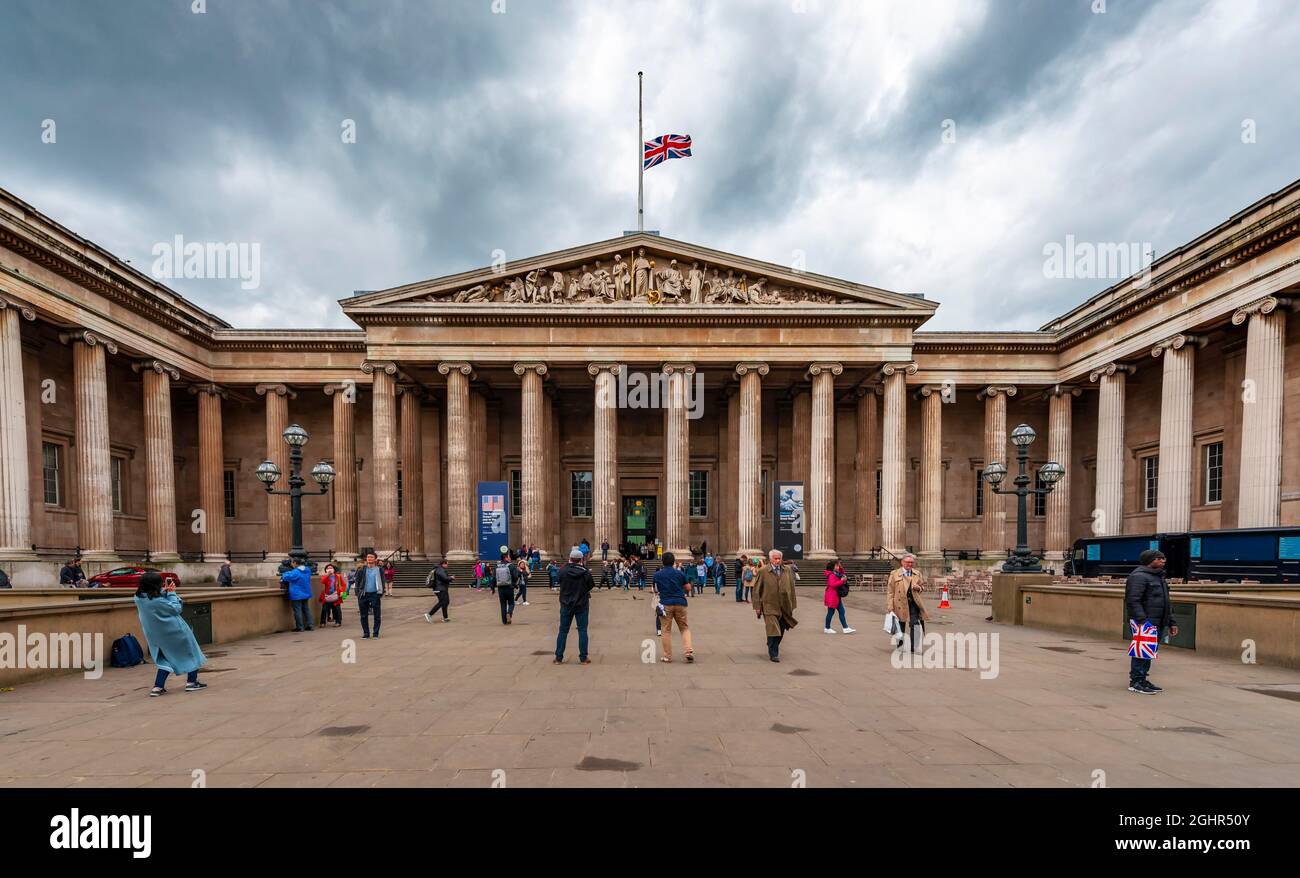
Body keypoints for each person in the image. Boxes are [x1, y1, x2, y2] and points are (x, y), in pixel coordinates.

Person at [133, 571, 207, 696]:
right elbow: (176, 609)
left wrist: (165, 591)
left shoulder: (138, 598)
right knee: (191, 653)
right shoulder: (157, 601)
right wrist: (172, 593)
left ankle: (157, 687)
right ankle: (191, 682)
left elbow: (153, 597)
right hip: (175, 632)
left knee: (165, 659)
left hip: (156, 635)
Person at [1125, 549, 1178, 694]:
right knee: (1141, 652)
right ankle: (1136, 682)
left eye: (1163, 558)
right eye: (1159, 558)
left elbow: (1166, 602)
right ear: (1149, 560)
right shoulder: (1138, 577)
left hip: (1157, 621)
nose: (1163, 561)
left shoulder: (1159, 577)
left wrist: (1171, 622)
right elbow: (1133, 600)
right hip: (1144, 622)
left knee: (1148, 652)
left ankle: (1142, 679)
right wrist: (1142, 620)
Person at [754, 549, 798, 662]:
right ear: (770, 559)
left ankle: (771, 643)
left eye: (779, 558)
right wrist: (757, 607)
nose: (778, 561)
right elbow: (756, 590)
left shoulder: (787, 570)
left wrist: (793, 604)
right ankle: (773, 653)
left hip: (784, 606)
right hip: (769, 605)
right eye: (775, 558)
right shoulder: (763, 571)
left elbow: (791, 588)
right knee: (773, 629)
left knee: (781, 630)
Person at [554, 547, 595, 664]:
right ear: (581, 559)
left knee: (563, 631)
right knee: (582, 631)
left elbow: (558, 581)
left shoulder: (562, 571)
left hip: (566, 604)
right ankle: (583, 658)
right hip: (581, 604)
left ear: (570, 558)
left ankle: (558, 658)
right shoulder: (585, 572)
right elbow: (591, 585)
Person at [654, 551, 694, 663]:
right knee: (684, 628)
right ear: (673, 562)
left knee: (666, 630)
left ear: (662, 562)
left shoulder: (657, 575)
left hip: (665, 603)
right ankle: (688, 651)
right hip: (680, 602)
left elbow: (656, 590)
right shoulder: (680, 573)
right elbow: (688, 588)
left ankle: (667, 656)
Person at [886, 553, 928, 653]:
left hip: (913, 603)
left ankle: (915, 647)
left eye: (911, 562)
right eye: (907, 562)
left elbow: (922, 586)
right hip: (899, 604)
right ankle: (900, 646)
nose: (910, 564)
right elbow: (890, 591)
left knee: (915, 624)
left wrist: (919, 588)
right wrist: (890, 606)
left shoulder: (917, 573)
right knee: (900, 625)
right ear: (902, 562)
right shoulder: (894, 574)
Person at [281, 559, 315, 631]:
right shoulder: (307, 570)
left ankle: (300, 627)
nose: (291, 564)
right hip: (306, 592)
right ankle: (310, 625)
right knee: (306, 609)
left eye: (292, 563)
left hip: (297, 594)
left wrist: (285, 573)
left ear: (295, 563)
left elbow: (287, 577)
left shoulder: (296, 571)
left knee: (297, 610)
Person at [823, 559, 855, 634]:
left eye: (838, 565)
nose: (838, 567)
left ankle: (845, 628)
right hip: (832, 596)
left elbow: (842, 573)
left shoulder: (836, 573)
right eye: (836, 565)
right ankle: (827, 628)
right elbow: (832, 584)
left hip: (835, 595)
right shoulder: (831, 575)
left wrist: (840, 566)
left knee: (841, 611)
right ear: (832, 567)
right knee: (831, 612)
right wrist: (842, 581)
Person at [357, 551, 384, 639]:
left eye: (371, 557)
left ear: (375, 559)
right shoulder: (361, 569)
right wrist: (358, 593)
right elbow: (357, 581)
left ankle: (375, 633)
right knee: (363, 615)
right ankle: (366, 633)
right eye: (368, 557)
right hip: (363, 594)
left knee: (377, 615)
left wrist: (380, 593)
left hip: (375, 594)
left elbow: (382, 581)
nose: (369, 558)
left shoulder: (379, 569)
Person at [495, 553, 519, 624]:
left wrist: (492, 588)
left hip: (500, 588)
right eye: (509, 557)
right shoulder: (511, 566)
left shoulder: (497, 566)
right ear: (506, 558)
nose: (510, 558)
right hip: (509, 587)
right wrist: (514, 584)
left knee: (503, 604)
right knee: (511, 603)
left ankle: (504, 621)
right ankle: (509, 613)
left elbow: (494, 578)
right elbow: (515, 577)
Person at [319, 562, 345, 628]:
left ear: (334, 569)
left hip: (336, 595)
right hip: (327, 595)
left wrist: (342, 591)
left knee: (337, 609)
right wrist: (327, 575)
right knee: (324, 609)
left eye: (331, 568)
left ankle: (338, 622)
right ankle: (322, 622)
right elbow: (323, 581)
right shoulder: (325, 576)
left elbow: (343, 585)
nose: (329, 569)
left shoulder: (338, 576)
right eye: (328, 568)